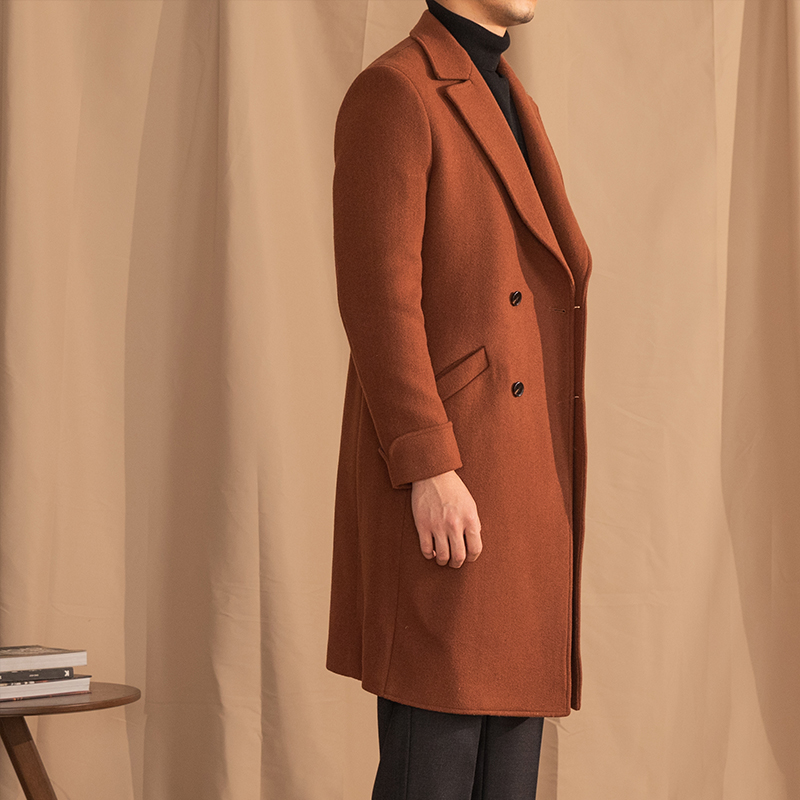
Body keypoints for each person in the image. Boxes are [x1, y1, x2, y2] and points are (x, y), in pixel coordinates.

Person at [326, 0, 593, 796]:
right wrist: (427, 466)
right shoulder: (396, 91)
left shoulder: (508, 94)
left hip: (520, 481)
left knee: (506, 777)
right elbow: (379, 300)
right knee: (434, 771)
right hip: (453, 484)